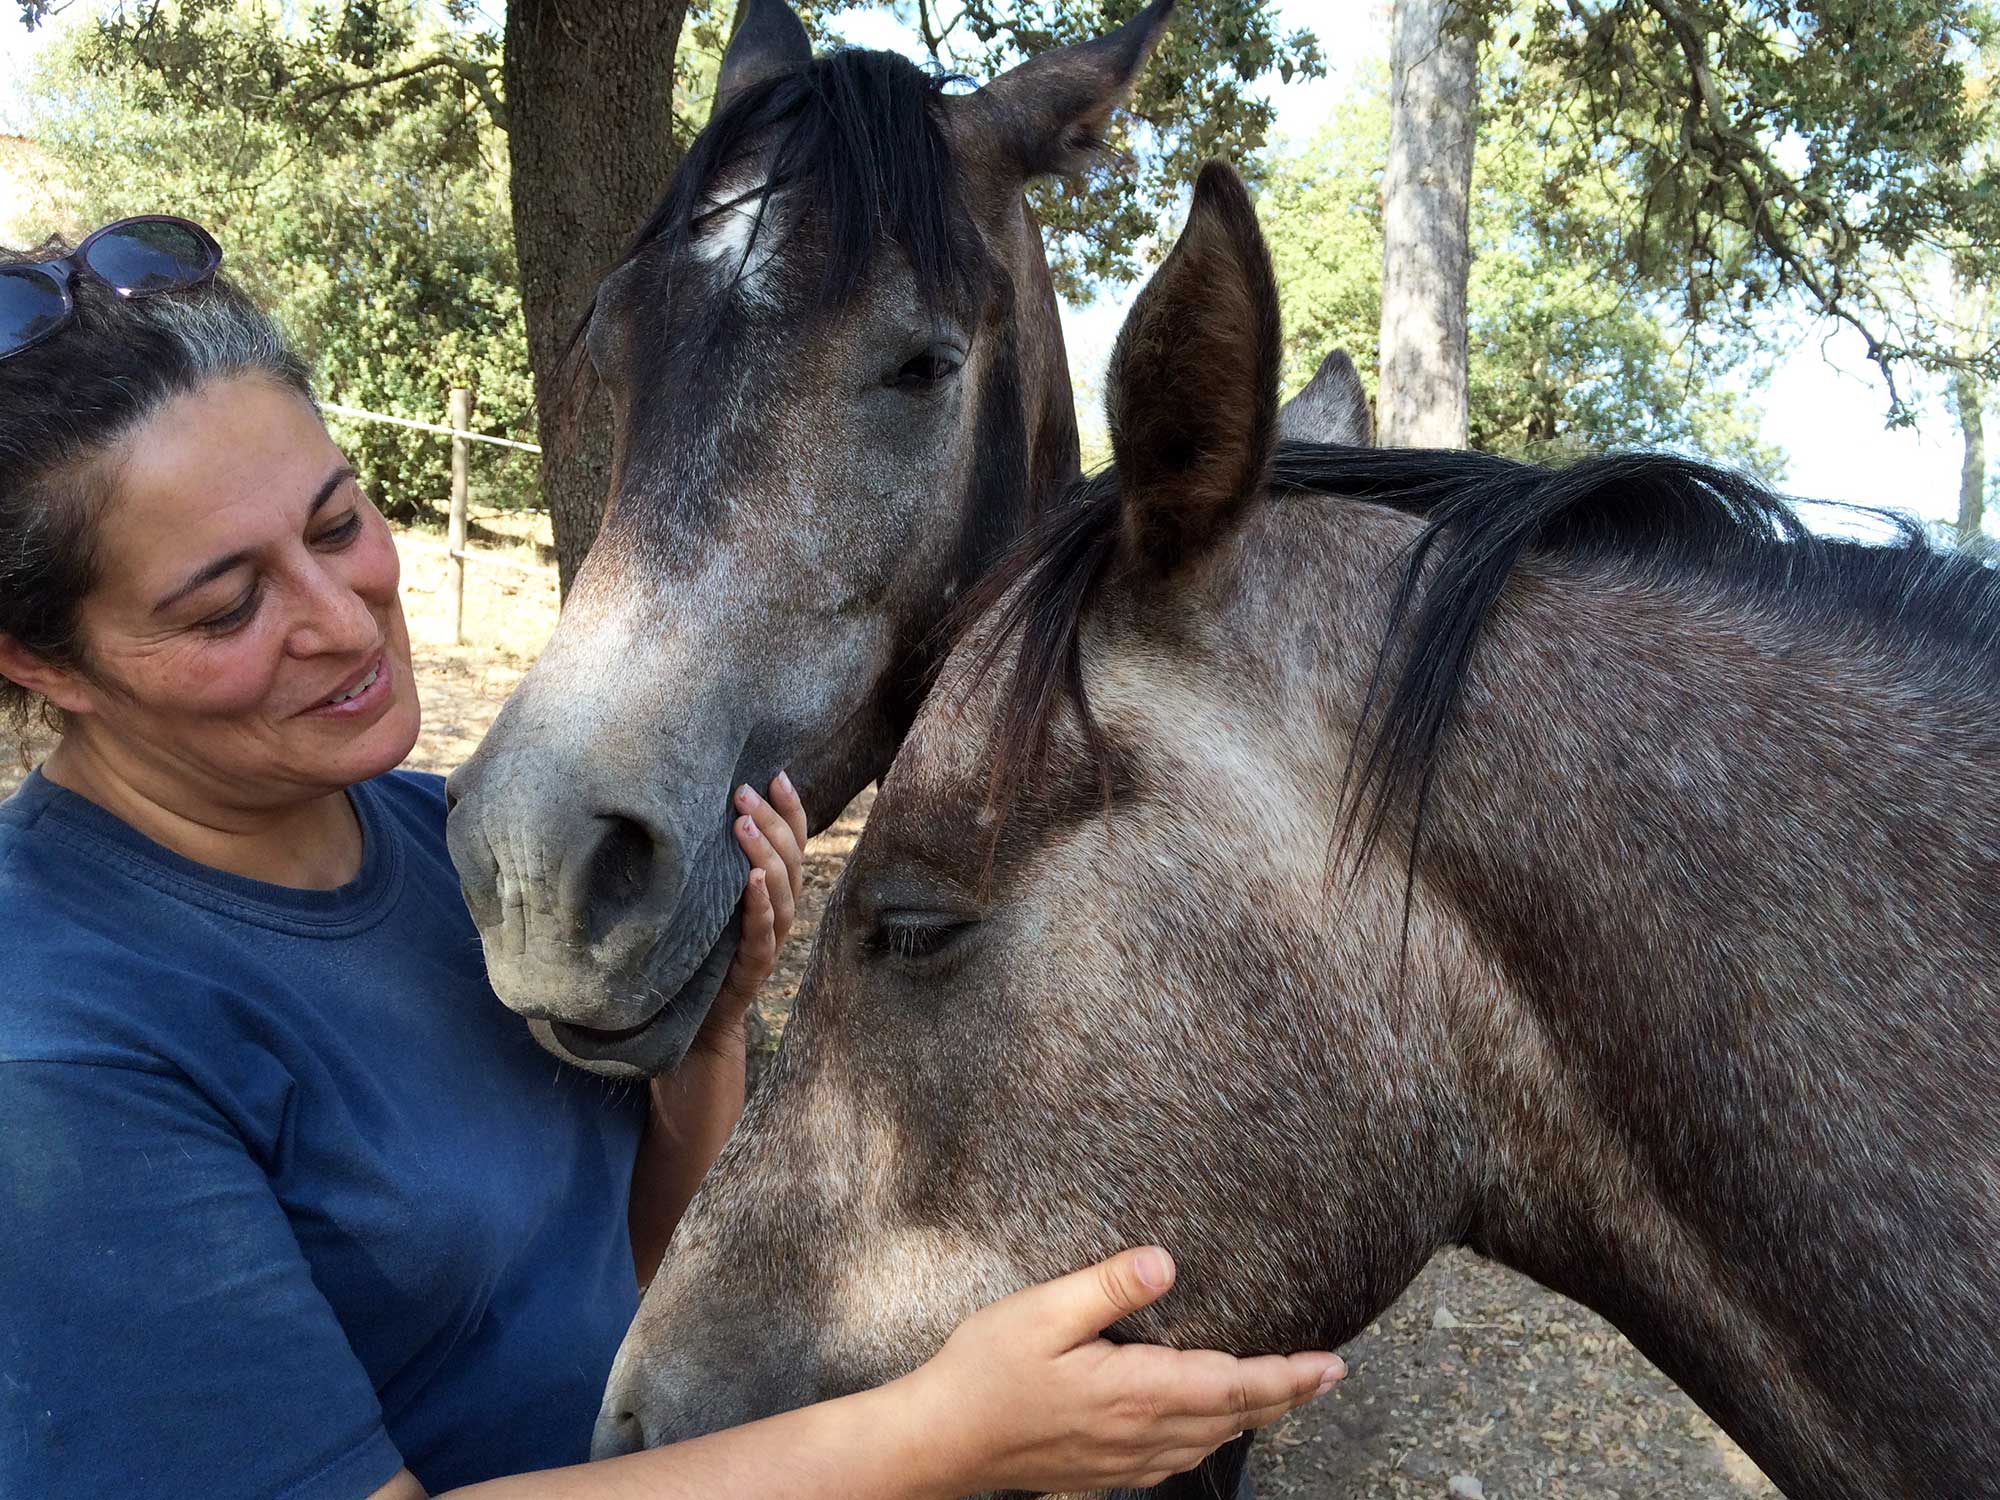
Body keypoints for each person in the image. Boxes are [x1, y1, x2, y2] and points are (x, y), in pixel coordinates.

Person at [0, 217, 1343, 1499]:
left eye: (340, 522)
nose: (340, 622)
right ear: (41, 660)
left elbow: (625, 1269)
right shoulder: (56, 1048)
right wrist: (938, 1436)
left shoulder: (446, 840)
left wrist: (705, 1038)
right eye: (228, 602)